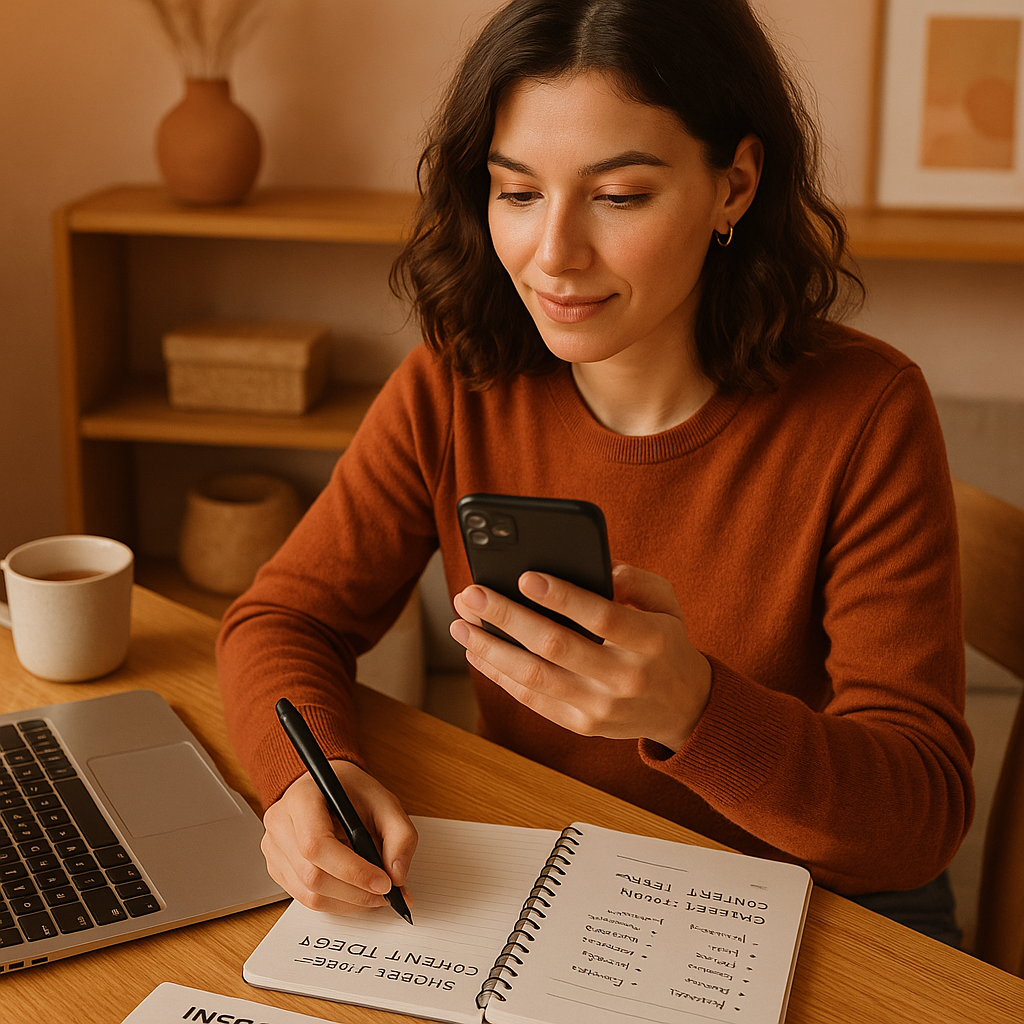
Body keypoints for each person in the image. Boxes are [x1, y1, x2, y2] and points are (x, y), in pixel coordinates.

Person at [217, 0, 974, 946]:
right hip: (569, 894)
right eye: (518, 193)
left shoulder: (867, 413)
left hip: (818, 914)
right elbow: (284, 619)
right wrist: (306, 780)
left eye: (619, 197)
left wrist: (695, 708)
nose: (553, 257)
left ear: (735, 185)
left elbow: (918, 823)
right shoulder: (460, 382)